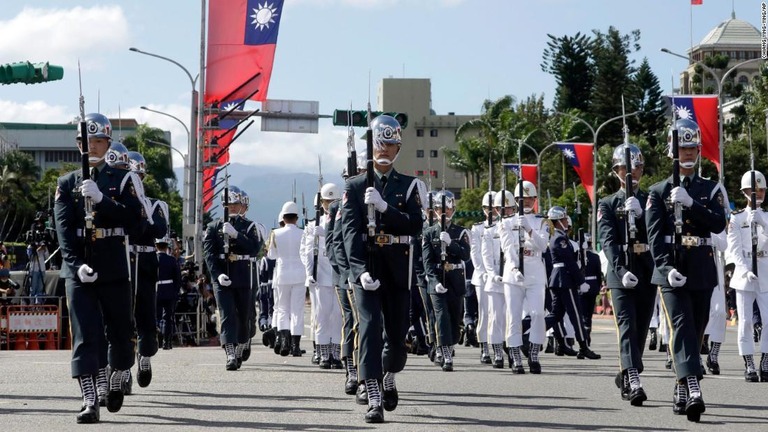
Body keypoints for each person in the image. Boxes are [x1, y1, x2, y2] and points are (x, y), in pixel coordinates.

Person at [53, 112, 144, 423]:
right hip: (79, 267)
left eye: (98, 141)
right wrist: (75, 265)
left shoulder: (122, 179)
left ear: (107, 143)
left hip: (112, 264)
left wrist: (103, 200)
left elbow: (136, 221)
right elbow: (63, 231)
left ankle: (118, 375)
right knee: (85, 334)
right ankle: (90, 399)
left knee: (121, 333)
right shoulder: (66, 183)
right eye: (86, 141)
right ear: (78, 144)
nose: (91, 146)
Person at [341, 114, 423, 423]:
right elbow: (349, 233)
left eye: (390, 144)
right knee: (370, 325)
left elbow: (416, 225)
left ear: (398, 147)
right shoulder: (355, 185)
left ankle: (389, 374)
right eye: (380, 143)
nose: (384, 150)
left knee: (397, 333)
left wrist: (387, 208)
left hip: (398, 264)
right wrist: (360, 270)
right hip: (369, 265)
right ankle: (373, 393)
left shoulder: (409, 185)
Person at [645, 118, 726, 422]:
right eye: (682, 148)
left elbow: (719, 223)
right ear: (671, 150)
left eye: (692, 148)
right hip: (672, 268)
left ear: (699, 151)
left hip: (702, 266)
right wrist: (665, 268)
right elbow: (654, 237)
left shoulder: (710, 187)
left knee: (697, 326)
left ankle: (680, 386)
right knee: (681, 326)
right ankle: (693, 387)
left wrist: (691, 203)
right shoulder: (657, 192)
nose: (687, 154)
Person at [597, 143, 655, 406]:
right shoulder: (608, 203)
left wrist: (643, 214)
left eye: (636, 167)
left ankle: (627, 370)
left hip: (645, 268)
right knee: (627, 325)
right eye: (624, 167)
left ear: (642, 169)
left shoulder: (652, 200)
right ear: (616, 170)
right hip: (621, 271)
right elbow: (607, 241)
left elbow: (656, 233)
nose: (631, 172)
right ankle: (633, 379)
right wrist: (620, 270)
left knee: (641, 327)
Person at [202, 185, 263, 370]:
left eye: (235, 204)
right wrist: (217, 274)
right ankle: (230, 353)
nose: (232, 207)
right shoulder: (213, 227)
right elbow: (209, 254)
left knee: (244, 315)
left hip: (243, 274)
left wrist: (236, 235)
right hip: (223, 274)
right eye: (229, 204)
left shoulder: (250, 226)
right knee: (227, 314)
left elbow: (254, 248)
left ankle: (244, 341)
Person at [124, 150, 168, 390]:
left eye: (138, 175)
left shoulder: (155, 204)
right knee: (121, 316)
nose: (135, 180)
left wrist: (142, 219)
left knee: (146, 312)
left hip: (146, 260)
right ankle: (121, 368)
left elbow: (158, 230)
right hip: (125, 260)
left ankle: (145, 356)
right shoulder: (119, 204)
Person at [500, 180, 550, 374]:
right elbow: (507, 249)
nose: (526, 202)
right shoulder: (506, 222)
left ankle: (534, 352)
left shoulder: (541, 221)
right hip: (514, 274)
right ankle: (515, 356)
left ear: (535, 199)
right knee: (513, 316)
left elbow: (543, 246)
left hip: (535, 270)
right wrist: (513, 268)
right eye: (522, 199)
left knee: (538, 313)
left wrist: (529, 229)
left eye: (529, 198)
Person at [725, 170, 768, 382]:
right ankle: (749, 362)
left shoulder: (767, 217)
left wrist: (763, 222)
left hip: (766, 271)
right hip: (745, 274)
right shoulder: (737, 218)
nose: (758, 194)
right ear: (745, 192)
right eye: (753, 190)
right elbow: (734, 250)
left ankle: (766, 359)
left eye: (761, 190)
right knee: (746, 321)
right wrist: (745, 270)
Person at [422, 190, 470, 372]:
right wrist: (434, 282)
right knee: (441, 316)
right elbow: (427, 262)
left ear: (453, 210)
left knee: (455, 316)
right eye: (439, 208)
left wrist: (451, 243)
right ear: (434, 210)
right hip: (437, 278)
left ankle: (450, 346)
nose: (443, 212)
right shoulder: (428, 233)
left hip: (455, 278)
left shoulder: (460, 231)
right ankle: (445, 352)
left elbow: (465, 255)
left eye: (447, 209)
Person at [546, 206, 601, 360]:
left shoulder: (559, 237)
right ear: (558, 221)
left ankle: (528, 330)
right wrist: (581, 281)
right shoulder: (560, 238)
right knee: (576, 315)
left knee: (556, 315)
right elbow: (569, 263)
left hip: (561, 279)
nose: (566, 221)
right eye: (564, 219)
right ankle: (584, 347)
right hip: (565, 280)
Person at [302, 183, 344, 369]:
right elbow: (306, 251)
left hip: (338, 273)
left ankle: (336, 353)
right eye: (327, 201)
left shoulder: (345, 220)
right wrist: (309, 272)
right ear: (322, 202)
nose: (330, 205)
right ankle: (323, 353)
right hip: (320, 274)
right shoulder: (313, 225)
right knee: (321, 315)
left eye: (333, 201)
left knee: (338, 316)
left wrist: (327, 233)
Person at [267, 201, 306, 357]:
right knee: (297, 310)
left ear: (283, 217)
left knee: (283, 309)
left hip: (282, 273)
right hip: (299, 274)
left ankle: (284, 342)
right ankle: (295, 346)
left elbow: (271, 255)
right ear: (296, 218)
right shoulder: (303, 233)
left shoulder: (275, 233)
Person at [470, 191, 495, 364]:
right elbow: (475, 253)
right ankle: (485, 346)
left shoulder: (504, 226)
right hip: (482, 277)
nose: (491, 211)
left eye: (494, 207)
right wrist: (483, 272)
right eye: (488, 208)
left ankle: (499, 345)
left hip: (499, 276)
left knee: (499, 313)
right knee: (485, 312)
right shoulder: (477, 228)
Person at [156, 237, 181, 351]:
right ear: (166, 247)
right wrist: (175, 292)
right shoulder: (171, 260)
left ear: (156, 246)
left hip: (156, 290)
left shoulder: (153, 258)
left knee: (155, 317)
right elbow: (178, 278)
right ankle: (167, 342)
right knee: (168, 318)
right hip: (169, 290)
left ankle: (156, 341)